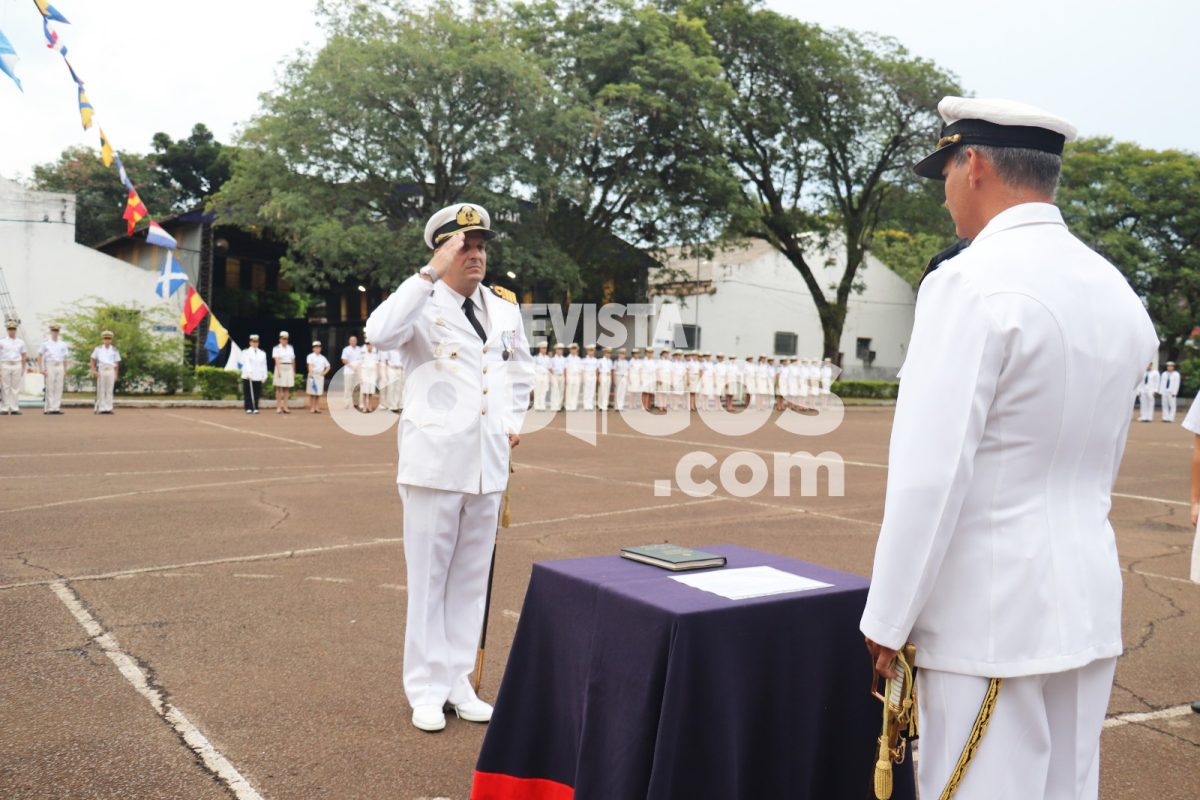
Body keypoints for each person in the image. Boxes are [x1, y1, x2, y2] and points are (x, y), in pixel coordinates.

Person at [860, 97, 1158, 800]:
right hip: (1084, 600)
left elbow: (930, 478)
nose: (944, 192)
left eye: (945, 172)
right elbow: (1100, 463)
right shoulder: (1116, 291)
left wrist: (889, 619)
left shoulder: (968, 282)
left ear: (974, 165)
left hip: (988, 614)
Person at [364, 202, 532, 733]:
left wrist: (512, 419)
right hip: (434, 464)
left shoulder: (504, 308)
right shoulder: (419, 301)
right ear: (442, 251)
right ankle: (425, 689)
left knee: (470, 581)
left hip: (487, 462)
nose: (477, 255)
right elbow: (378, 332)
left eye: (481, 246)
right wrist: (428, 274)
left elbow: (520, 369)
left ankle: (459, 682)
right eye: (465, 247)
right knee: (429, 580)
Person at [38, 324, 70, 415]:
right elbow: (40, 356)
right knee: (50, 386)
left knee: (59, 387)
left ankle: (56, 407)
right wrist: (41, 369)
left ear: (58, 332)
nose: (55, 333)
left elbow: (65, 358)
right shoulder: (45, 343)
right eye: (53, 331)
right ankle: (50, 407)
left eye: (57, 331)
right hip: (50, 365)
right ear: (51, 332)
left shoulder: (63, 344)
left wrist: (65, 369)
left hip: (59, 365)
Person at [89, 330, 121, 415]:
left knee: (109, 390)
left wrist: (116, 374)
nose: (107, 340)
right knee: (101, 390)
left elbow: (117, 362)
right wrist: (93, 370)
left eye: (109, 339)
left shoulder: (114, 349)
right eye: (105, 338)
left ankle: (109, 408)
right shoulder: (98, 349)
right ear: (103, 339)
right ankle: (102, 408)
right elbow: (92, 359)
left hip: (110, 370)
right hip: (102, 370)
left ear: (111, 340)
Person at [0, 320, 27, 415]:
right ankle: (4, 408)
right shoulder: (2, 341)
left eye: (13, 329)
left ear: (16, 330)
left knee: (15, 387)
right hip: (5, 364)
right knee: (5, 387)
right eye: (10, 329)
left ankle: (14, 408)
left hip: (17, 364)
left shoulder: (21, 342)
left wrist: (23, 368)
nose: (12, 331)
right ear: (7, 330)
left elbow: (24, 355)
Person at [241, 334, 268, 414]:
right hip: (248, 375)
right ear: (250, 342)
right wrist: (249, 372)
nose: (255, 343)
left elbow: (264, 365)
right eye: (253, 342)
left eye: (256, 342)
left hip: (258, 375)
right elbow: (246, 362)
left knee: (257, 392)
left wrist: (264, 374)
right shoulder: (246, 352)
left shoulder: (262, 353)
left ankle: (255, 407)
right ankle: (248, 407)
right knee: (248, 392)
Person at [272, 331, 296, 415]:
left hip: (289, 367)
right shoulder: (276, 348)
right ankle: (278, 407)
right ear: (280, 339)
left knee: (287, 388)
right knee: (279, 388)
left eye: (286, 339)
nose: (284, 341)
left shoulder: (290, 348)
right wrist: (279, 371)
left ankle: (285, 406)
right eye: (283, 339)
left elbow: (293, 360)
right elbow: (276, 360)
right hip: (280, 367)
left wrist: (293, 371)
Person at [305, 341, 330, 414]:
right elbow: (309, 365)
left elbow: (328, 366)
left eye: (318, 348)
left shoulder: (323, 357)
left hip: (320, 375)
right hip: (313, 374)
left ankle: (317, 407)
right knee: (312, 392)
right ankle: (312, 407)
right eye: (315, 348)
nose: (317, 349)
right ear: (313, 349)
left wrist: (324, 373)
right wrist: (311, 374)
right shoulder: (310, 356)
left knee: (318, 392)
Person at [341, 335, 363, 410]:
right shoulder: (346, 349)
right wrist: (352, 367)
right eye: (352, 340)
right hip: (348, 371)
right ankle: (347, 404)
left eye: (354, 340)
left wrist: (357, 368)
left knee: (357, 388)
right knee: (348, 388)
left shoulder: (360, 349)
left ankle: (356, 403)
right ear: (349, 341)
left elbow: (362, 360)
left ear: (356, 341)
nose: (353, 342)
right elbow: (344, 360)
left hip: (358, 371)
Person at [359, 339, 381, 412]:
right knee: (365, 391)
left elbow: (377, 364)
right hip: (365, 372)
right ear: (366, 345)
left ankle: (369, 406)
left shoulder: (375, 354)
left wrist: (378, 374)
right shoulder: (362, 354)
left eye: (371, 344)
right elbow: (360, 365)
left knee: (371, 391)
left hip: (372, 373)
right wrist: (360, 375)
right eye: (368, 344)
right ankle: (365, 406)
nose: (369, 346)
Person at [383, 347, 405, 412]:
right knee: (392, 387)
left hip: (401, 369)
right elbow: (386, 361)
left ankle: (400, 405)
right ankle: (392, 406)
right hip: (392, 368)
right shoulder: (389, 348)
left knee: (400, 388)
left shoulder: (402, 348)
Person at [532, 342, 550, 411]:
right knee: (537, 391)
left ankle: (542, 405)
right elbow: (533, 368)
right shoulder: (536, 358)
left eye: (545, 348)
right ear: (540, 349)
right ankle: (537, 406)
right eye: (543, 348)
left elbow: (548, 369)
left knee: (543, 391)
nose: (544, 349)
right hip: (538, 376)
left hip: (545, 376)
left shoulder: (547, 358)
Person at [549, 343, 566, 412]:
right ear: (556, 350)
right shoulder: (552, 359)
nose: (560, 351)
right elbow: (550, 369)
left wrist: (565, 377)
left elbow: (565, 369)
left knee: (561, 391)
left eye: (561, 349)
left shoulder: (564, 359)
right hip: (555, 376)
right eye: (558, 349)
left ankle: (559, 406)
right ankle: (554, 406)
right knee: (554, 391)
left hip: (561, 376)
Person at [597, 346, 613, 411]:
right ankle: (600, 405)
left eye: (609, 353)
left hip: (608, 376)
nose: (608, 354)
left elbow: (611, 370)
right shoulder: (600, 360)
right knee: (601, 391)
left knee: (607, 391)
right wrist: (598, 378)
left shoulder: (610, 361)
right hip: (602, 375)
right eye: (607, 353)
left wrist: (611, 378)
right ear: (604, 353)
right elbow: (597, 370)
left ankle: (605, 406)